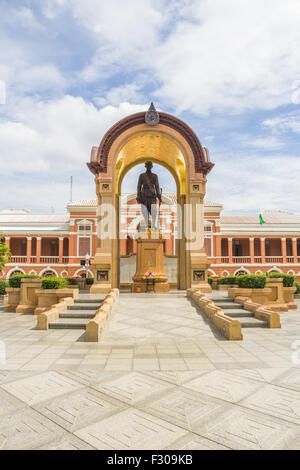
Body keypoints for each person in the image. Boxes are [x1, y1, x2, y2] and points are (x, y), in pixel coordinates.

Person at [137, 161, 162, 230]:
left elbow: (157, 186)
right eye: (147, 165)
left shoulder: (155, 176)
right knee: (144, 212)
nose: (148, 166)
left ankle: (154, 225)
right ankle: (146, 225)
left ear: (151, 166)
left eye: (150, 165)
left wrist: (159, 196)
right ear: (145, 166)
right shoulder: (142, 176)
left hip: (152, 196)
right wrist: (138, 196)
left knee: (153, 211)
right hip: (144, 196)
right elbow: (139, 186)